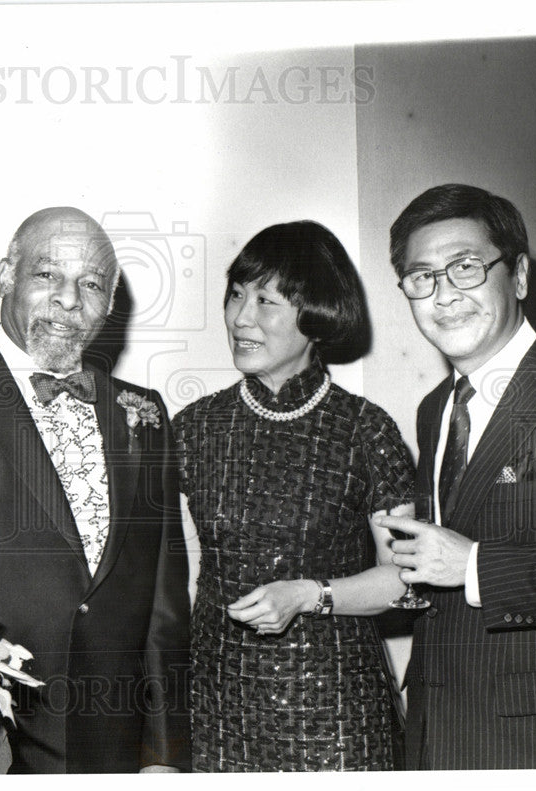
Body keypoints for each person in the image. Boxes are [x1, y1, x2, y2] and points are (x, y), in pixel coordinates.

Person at [0, 207, 190, 773]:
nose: (68, 300)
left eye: (91, 284)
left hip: (110, 739)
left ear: (109, 303)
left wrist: (163, 754)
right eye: (46, 275)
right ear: (6, 275)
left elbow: (164, 602)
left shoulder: (145, 413)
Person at [173, 221, 415, 771]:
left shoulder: (365, 430)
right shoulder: (194, 428)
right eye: (236, 294)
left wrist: (309, 595)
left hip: (336, 705)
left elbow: (402, 578)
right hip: (221, 703)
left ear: (316, 316)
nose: (240, 318)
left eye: (266, 301)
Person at [376, 184, 536, 769]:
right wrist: (412, 558)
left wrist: (471, 565)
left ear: (520, 276)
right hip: (436, 727)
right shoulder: (436, 409)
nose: (443, 295)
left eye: (466, 267)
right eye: (421, 277)